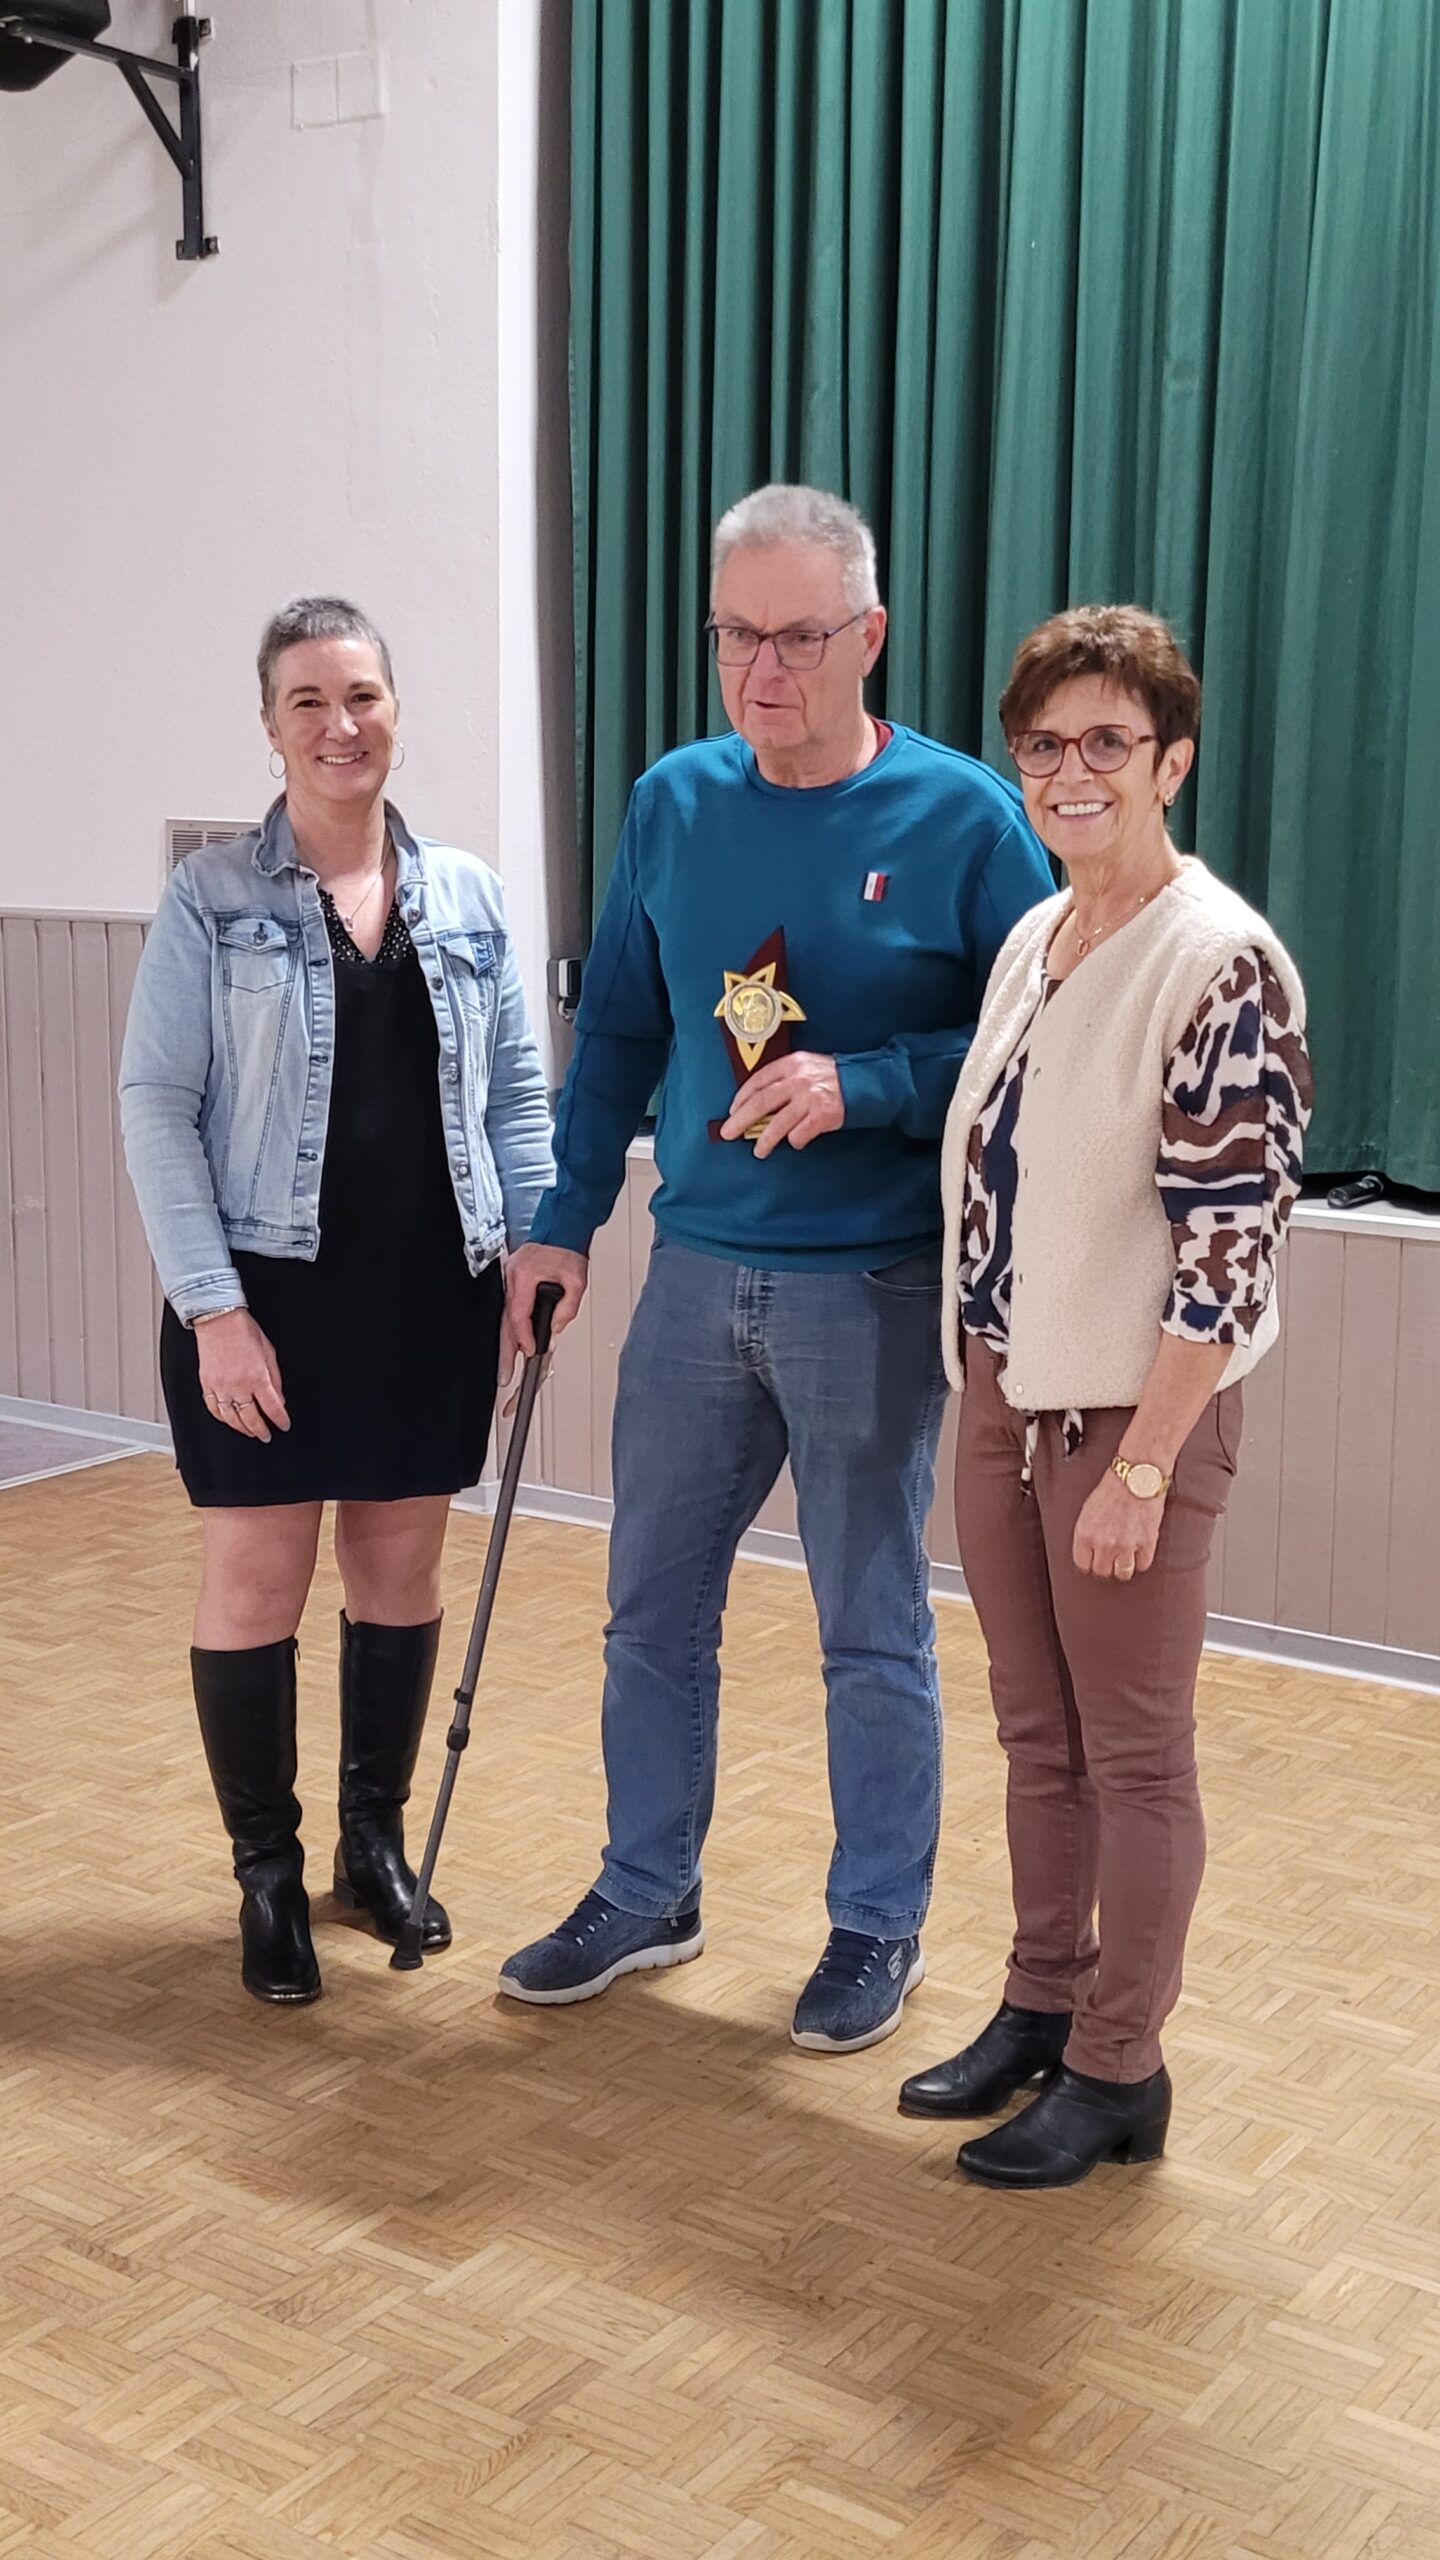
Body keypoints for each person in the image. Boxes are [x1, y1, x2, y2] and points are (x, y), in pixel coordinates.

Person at [500, 484, 1055, 2052]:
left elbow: (1036, 1038)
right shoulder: (673, 802)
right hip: (694, 1274)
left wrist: (864, 1083)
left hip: (868, 1285)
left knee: (868, 1625)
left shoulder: (963, 821)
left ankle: (877, 1925)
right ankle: (645, 1888)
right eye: (736, 635)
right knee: (648, 1610)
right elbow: (621, 1027)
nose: (762, 670)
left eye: (799, 638)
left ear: (869, 636)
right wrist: (562, 1220)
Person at [897, 604, 1312, 2184]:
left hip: (1131, 1422)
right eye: (1044, 746)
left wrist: (1146, 1466)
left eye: (1108, 744)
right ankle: (1039, 2006)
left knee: (1134, 1755)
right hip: (1007, 1393)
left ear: (1171, 761)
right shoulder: (1039, 933)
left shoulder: (1219, 961)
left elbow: (1229, 1251)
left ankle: (1119, 2067)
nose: (1072, 772)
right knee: (1036, 1734)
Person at [119, 597, 553, 2005]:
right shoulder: (211, 897)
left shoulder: (469, 895)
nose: (339, 724)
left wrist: (533, 1250)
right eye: (307, 701)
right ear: (270, 726)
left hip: (430, 1298)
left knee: (397, 1578)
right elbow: (155, 1106)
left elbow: (517, 1098)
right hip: (262, 1305)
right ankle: (267, 1874)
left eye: (360, 695)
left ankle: (373, 1846)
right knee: (256, 1582)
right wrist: (212, 1310)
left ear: (396, 713)